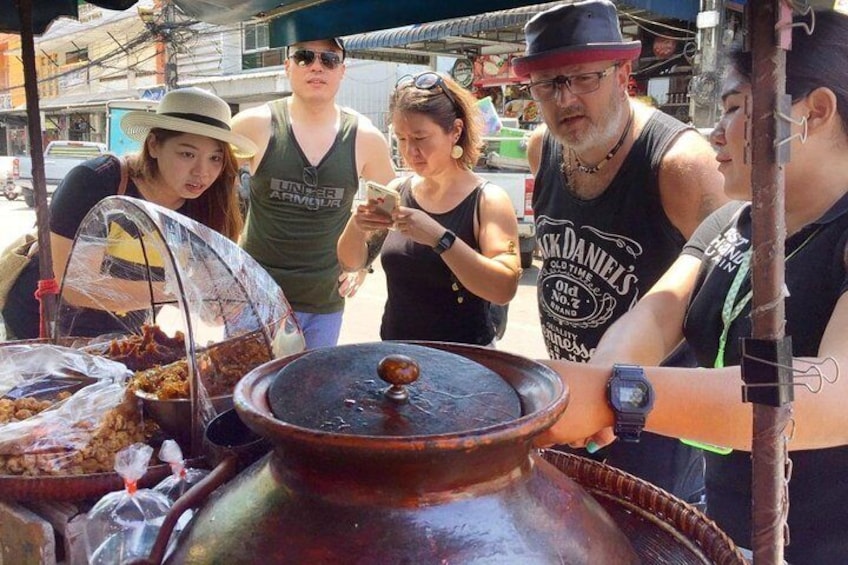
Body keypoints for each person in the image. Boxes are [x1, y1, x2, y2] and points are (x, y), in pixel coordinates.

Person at [538, 9, 848, 562]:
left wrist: (622, 396)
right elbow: (658, 315)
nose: (713, 131)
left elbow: (829, 389)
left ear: (815, 112)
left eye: (731, 109)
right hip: (724, 526)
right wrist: (592, 382)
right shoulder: (735, 223)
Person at [512, 0, 729, 503]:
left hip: (652, 417)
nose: (565, 98)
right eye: (547, 83)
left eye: (583, 78)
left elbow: (726, 294)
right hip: (573, 393)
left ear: (622, 72)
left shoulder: (680, 163)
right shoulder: (541, 147)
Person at [2, 87, 256, 339]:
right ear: (154, 145)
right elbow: (77, 287)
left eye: (215, 158)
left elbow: (203, 285)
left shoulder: (206, 206)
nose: (202, 171)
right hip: (43, 330)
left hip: (122, 336)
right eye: (187, 154)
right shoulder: (96, 181)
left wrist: (216, 303)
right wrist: (182, 290)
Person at [232, 37, 396, 350]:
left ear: (342, 71)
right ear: (288, 66)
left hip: (323, 302)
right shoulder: (253, 125)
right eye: (305, 57)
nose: (317, 66)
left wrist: (364, 262)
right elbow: (214, 189)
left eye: (329, 59)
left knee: (307, 392)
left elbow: (387, 203)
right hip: (252, 298)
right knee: (240, 391)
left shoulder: (365, 138)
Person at [337, 72, 520, 345]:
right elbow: (351, 262)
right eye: (400, 139)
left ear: (455, 131)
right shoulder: (398, 189)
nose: (410, 151)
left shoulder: (488, 199)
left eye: (420, 138)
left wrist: (440, 238)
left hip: (466, 362)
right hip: (398, 358)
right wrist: (357, 225)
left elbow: (504, 287)